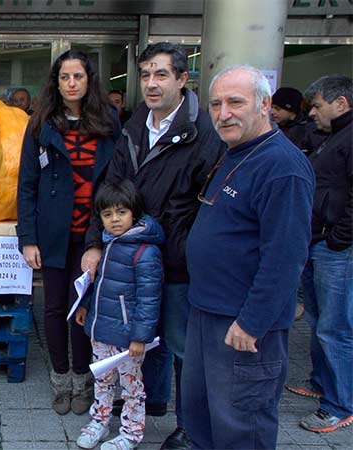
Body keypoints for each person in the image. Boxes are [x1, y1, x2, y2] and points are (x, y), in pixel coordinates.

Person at [84, 42, 224, 450]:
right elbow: (108, 191)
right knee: (139, 336)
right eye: (145, 75)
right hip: (130, 256)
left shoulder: (203, 135)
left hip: (177, 258)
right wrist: (95, 243)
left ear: (183, 79)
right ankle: (151, 404)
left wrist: (187, 251)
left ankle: (191, 426)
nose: (151, 83)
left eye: (161, 74)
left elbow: (207, 205)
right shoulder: (132, 128)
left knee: (181, 344)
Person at [183, 65, 314, 449]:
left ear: (265, 104)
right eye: (216, 104)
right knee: (202, 416)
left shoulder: (282, 168)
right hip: (207, 314)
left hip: (243, 328)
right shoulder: (236, 153)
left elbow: (286, 258)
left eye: (235, 102)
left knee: (243, 427)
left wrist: (252, 322)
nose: (224, 113)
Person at [16, 49, 118, 416]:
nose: (71, 83)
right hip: (53, 233)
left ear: (89, 80)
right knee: (56, 307)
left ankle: (83, 378)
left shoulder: (109, 122)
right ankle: (61, 380)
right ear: (56, 82)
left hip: (92, 234)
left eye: (78, 76)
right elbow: (26, 184)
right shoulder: (41, 124)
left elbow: (115, 182)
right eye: (64, 77)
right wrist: (27, 238)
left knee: (83, 309)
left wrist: (99, 241)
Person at [74, 180, 163, 450]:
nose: (115, 219)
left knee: (132, 388)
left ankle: (131, 432)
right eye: (107, 214)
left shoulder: (146, 252)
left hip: (127, 340)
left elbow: (150, 300)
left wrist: (140, 337)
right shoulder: (108, 244)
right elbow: (101, 282)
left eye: (121, 212)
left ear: (133, 213)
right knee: (102, 381)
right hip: (101, 330)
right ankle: (99, 422)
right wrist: (86, 305)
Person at [286, 74, 353, 433]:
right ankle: (322, 384)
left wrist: (338, 238)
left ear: (340, 104)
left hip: (334, 248)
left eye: (317, 105)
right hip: (319, 242)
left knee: (335, 326)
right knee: (319, 321)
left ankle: (340, 404)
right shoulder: (330, 138)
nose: (311, 113)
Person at [271, 87, 325, 155]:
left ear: (292, 112)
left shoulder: (311, 131)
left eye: (277, 108)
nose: (272, 112)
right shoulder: (272, 128)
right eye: (271, 107)